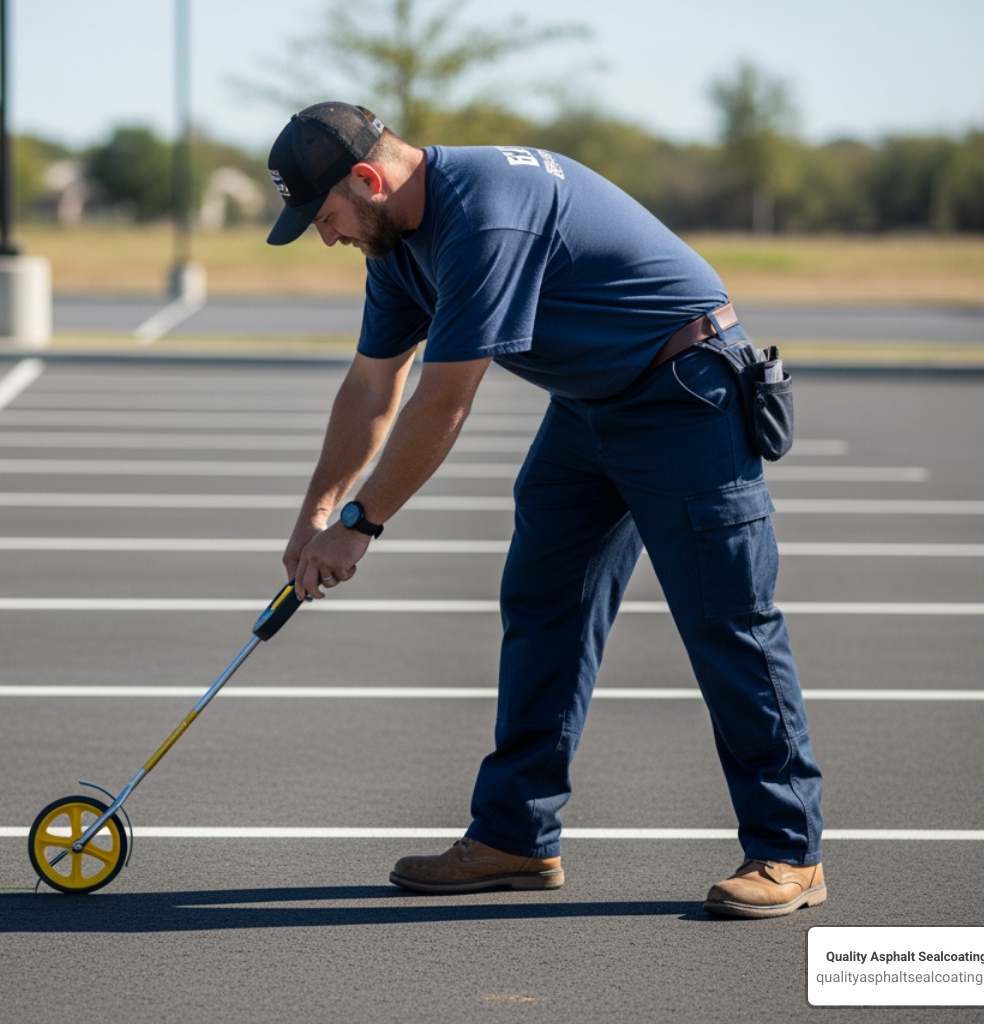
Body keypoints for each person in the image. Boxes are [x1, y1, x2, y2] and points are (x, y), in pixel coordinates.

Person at [267, 102, 825, 918]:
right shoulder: (394, 247)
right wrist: (317, 513)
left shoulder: (486, 214)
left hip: (685, 391)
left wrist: (361, 527)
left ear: (367, 179)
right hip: (591, 405)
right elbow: (373, 384)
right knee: (542, 606)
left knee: (728, 621)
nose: (326, 236)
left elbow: (444, 400)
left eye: (325, 216)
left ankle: (788, 851)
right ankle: (516, 838)